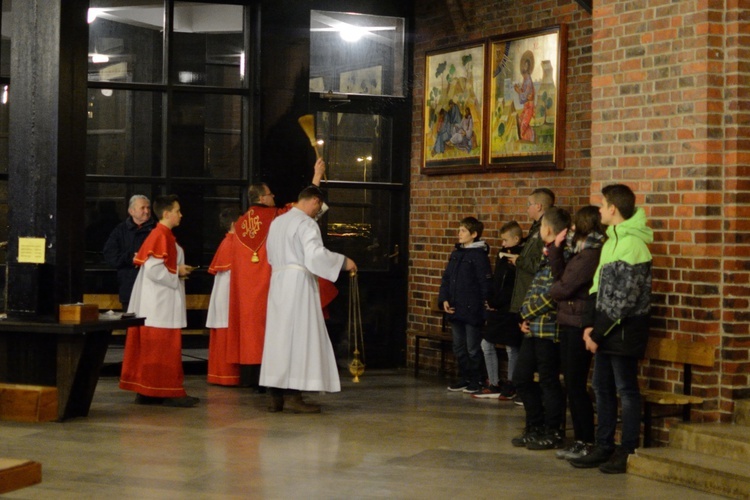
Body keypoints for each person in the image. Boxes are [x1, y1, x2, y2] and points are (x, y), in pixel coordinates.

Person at [569, 184, 653, 474]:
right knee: (602, 388)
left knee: (625, 390)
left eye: (602, 205)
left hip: (625, 330)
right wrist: (589, 324)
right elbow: (596, 288)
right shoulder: (610, 242)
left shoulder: (633, 245)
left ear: (613, 209)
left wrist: (597, 333)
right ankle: (603, 445)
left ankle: (626, 449)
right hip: (604, 328)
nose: (600, 210)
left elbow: (624, 299)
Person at [227, 158, 325, 388]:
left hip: (246, 291)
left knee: (251, 332)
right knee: (276, 335)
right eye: (270, 195)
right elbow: (304, 210)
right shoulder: (275, 217)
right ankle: (275, 384)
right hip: (273, 286)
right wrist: (316, 177)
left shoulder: (239, 224)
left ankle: (251, 379)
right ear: (262, 198)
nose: (273, 197)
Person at [259, 186, 356, 413]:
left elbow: (270, 255)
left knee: (279, 337)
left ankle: (274, 395)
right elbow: (315, 255)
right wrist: (343, 262)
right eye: (318, 207)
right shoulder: (306, 223)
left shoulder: (278, 222)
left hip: (278, 282)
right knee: (298, 337)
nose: (317, 212)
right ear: (314, 201)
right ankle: (293, 395)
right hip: (298, 284)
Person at [119, 194, 198, 407]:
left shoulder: (163, 235)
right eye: (177, 210)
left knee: (157, 348)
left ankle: (148, 392)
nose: (180, 215)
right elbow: (154, 270)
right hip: (159, 304)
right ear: (166, 214)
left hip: (160, 301)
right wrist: (178, 272)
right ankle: (168, 391)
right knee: (162, 348)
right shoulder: (160, 236)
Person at [548, 206, 606, 460]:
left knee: (575, 384)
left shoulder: (590, 255)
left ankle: (585, 439)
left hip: (579, 322)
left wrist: (556, 288)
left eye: (574, 226)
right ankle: (580, 439)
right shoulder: (578, 252)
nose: (570, 229)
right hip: (569, 320)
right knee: (570, 383)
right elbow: (560, 275)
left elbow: (562, 287)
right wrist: (556, 250)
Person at [511, 206, 570, 451]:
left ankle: (553, 430)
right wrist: (523, 315)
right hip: (533, 328)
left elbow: (552, 295)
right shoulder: (547, 254)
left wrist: (527, 312)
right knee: (521, 377)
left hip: (549, 330)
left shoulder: (562, 256)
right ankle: (534, 425)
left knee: (548, 381)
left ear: (548, 228)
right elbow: (534, 288)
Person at [438, 216, 493, 394]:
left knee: (472, 347)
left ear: (474, 234)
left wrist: (486, 308)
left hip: (472, 308)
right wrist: (444, 299)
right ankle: (465, 376)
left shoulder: (479, 256)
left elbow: (484, 284)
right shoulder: (456, 254)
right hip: (455, 306)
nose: (459, 234)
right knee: (459, 346)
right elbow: (446, 279)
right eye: (459, 230)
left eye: (463, 231)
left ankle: (476, 379)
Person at [473, 221, 524, 399]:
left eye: (505, 240)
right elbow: (497, 281)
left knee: (511, 347)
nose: (502, 244)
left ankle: (512, 383)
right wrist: (491, 299)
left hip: (511, 308)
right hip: (498, 306)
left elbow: (514, 286)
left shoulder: (522, 258)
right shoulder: (502, 256)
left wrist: (497, 300)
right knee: (486, 343)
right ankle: (494, 382)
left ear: (516, 239)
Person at [206, 207, 241, 386]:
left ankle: (221, 376)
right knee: (227, 335)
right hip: (228, 297)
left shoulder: (227, 242)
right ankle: (228, 377)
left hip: (225, 295)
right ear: (235, 224)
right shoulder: (233, 243)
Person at [103, 194, 155, 311]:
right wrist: (130, 258)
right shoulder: (120, 230)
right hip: (128, 287)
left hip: (152, 288)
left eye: (148, 208)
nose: (146, 211)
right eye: (143, 208)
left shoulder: (157, 230)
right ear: (131, 211)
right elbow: (110, 256)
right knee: (130, 326)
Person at [514, 50, 536, 142]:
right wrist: (520, 90)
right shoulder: (525, 81)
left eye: (526, 65)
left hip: (529, 108)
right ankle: (528, 138)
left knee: (523, 126)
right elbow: (522, 100)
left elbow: (524, 97)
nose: (523, 76)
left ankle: (531, 137)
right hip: (525, 107)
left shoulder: (529, 82)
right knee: (519, 121)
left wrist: (519, 91)